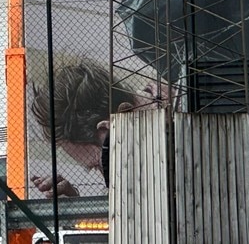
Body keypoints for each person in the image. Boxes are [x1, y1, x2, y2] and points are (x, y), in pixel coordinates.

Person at [29, 56, 163, 198]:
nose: (104, 176)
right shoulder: (159, 130)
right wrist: (78, 209)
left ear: (107, 132)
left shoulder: (173, 132)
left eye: (98, 166)